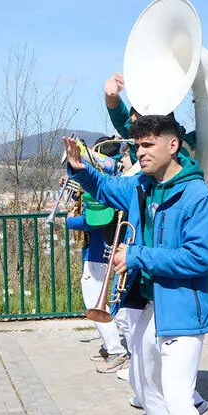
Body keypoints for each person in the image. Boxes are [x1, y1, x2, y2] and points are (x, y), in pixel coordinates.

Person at [65, 113, 208, 415]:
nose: (140, 153)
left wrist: (136, 255)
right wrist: (80, 168)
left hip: (182, 306)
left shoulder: (197, 195)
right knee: (143, 382)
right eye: (137, 146)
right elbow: (104, 188)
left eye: (148, 145)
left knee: (179, 397)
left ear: (173, 145)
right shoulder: (141, 186)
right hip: (151, 305)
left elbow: (198, 257)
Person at [61, 137, 128, 373]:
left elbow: (94, 221)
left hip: (100, 250)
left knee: (95, 301)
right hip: (101, 249)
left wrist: (70, 222)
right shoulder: (118, 179)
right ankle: (111, 346)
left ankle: (117, 351)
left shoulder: (110, 181)